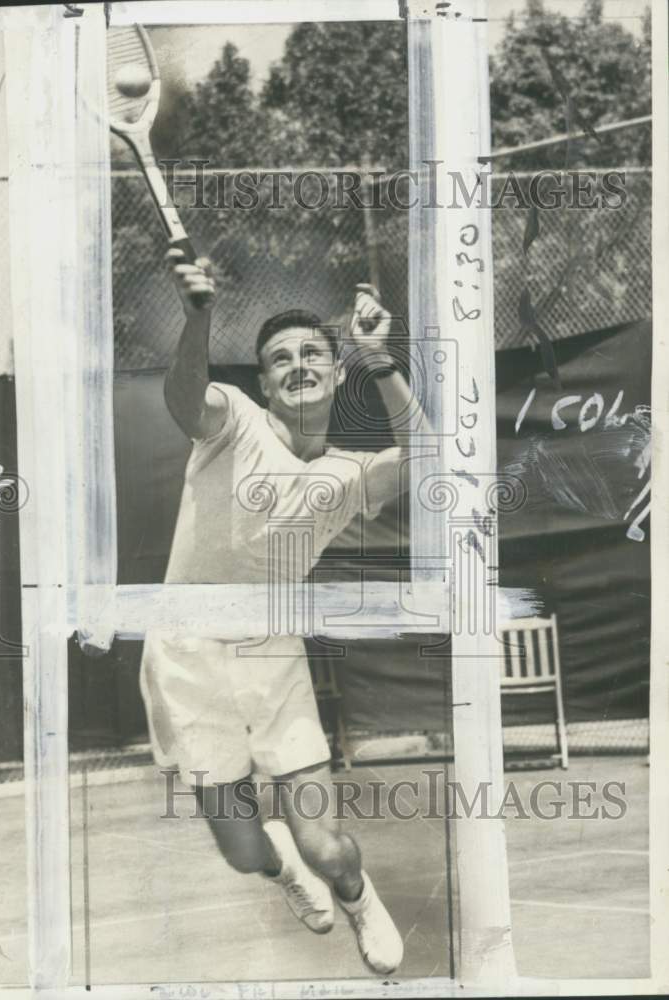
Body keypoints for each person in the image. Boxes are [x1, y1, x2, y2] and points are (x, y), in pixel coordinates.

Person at [140, 244, 423, 976]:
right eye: (279, 359)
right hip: (187, 656)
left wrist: (380, 360)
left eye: (312, 354)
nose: (297, 364)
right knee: (243, 854)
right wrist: (197, 317)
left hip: (272, 657)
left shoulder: (351, 475)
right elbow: (183, 398)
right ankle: (282, 875)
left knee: (324, 844)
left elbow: (438, 460)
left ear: (334, 374)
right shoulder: (233, 419)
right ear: (263, 383)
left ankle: (358, 897)